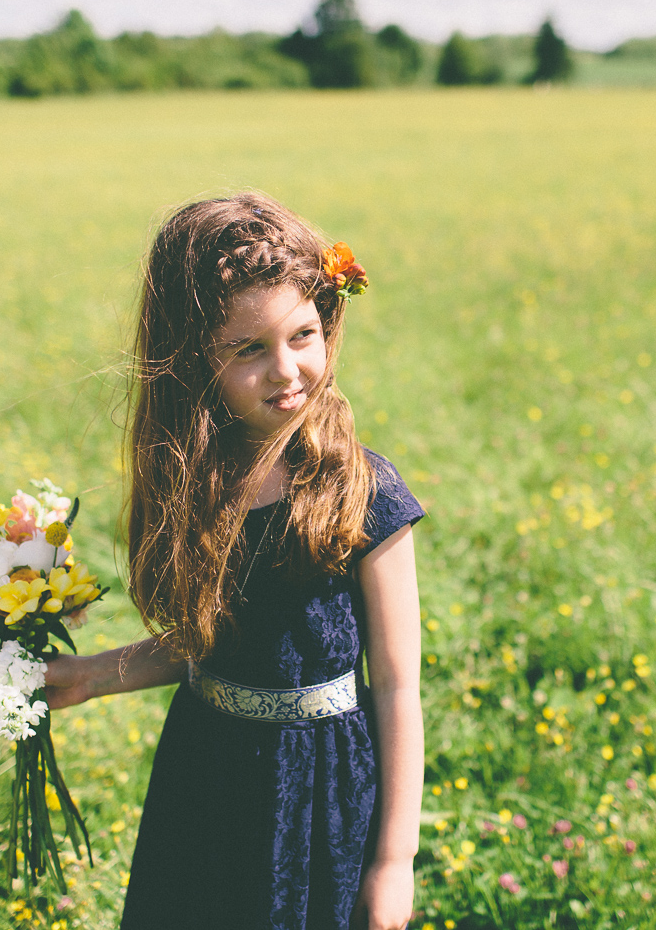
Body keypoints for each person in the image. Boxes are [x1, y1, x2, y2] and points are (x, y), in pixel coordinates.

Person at [43, 193, 425, 930]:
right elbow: (207, 643)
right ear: (195, 362)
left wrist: (393, 860)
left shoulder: (364, 492)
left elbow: (400, 685)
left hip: (322, 788)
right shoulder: (192, 481)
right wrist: (92, 674)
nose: (287, 370)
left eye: (303, 335)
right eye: (249, 349)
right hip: (206, 771)